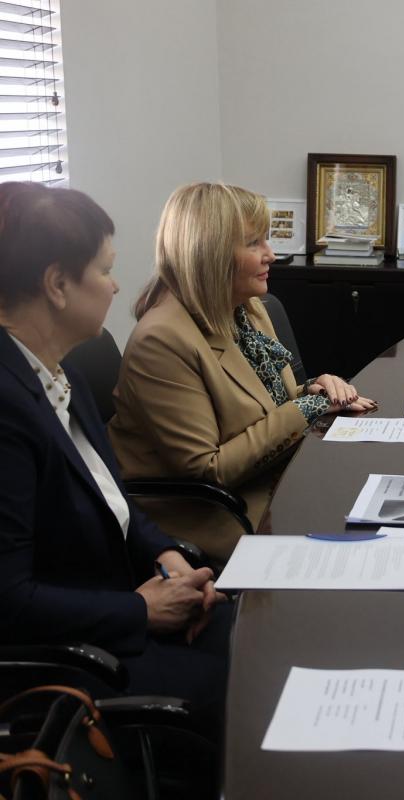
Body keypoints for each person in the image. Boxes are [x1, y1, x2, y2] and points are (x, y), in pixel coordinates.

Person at [0, 182, 228, 712]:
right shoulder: (6, 408)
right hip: (72, 662)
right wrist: (140, 610)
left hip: (115, 614)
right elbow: (8, 599)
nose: (116, 285)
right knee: (258, 686)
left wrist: (168, 556)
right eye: (105, 270)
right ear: (58, 284)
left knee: (267, 634)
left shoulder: (61, 373)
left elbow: (116, 502)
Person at [108, 182, 377, 561]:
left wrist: (314, 392)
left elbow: (266, 408)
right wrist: (304, 409)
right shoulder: (162, 341)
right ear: (210, 253)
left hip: (273, 480)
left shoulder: (246, 309)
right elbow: (208, 470)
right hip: (216, 512)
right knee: (359, 550)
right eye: (254, 243)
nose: (271, 254)